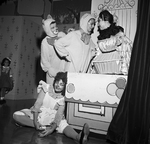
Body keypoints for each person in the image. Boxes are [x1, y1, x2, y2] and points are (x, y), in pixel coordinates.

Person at [13, 72, 90, 144]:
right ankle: (41, 126)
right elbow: (37, 104)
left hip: (52, 118)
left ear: (65, 86)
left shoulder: (63, 99)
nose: (57, 85)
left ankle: (78, 137)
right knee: (16, 115)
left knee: (63, 125)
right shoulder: (46, 88)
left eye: (61, 84)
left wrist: (51, 129)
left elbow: (59, 115)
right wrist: (36, 122)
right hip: (39, 114)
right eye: (57, 82)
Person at [93, 10, 132, 75]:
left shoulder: (120, 38)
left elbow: (126, 56)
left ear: (105, 19)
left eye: (99, 20)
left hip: (119, 76)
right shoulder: (101, 39)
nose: (98, 24)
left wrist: (124, 75)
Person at [41, 14, 69, 85]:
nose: (55, 28)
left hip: (65, 70)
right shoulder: (45, 42)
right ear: (47, 29)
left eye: (55, 26)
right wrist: (52, 72)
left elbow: (70, 45)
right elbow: (45, 61)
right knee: (52, 93)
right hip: (52, 75)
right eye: (52, 28)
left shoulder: (62, 35)